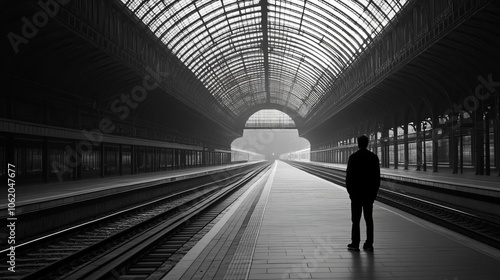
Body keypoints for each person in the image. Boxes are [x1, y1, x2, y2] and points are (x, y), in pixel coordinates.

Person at [345, 135, 380, 251]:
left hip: (356, 194)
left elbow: (348, 177)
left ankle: (355, 243)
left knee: (355, 219)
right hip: (369, 194)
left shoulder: (353, 157)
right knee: (369, 219)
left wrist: (351, 193)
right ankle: (369, 243)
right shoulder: (374, 157)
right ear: (367, 143)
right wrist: (374, 193)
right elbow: (377, 178)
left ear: (358, 144)